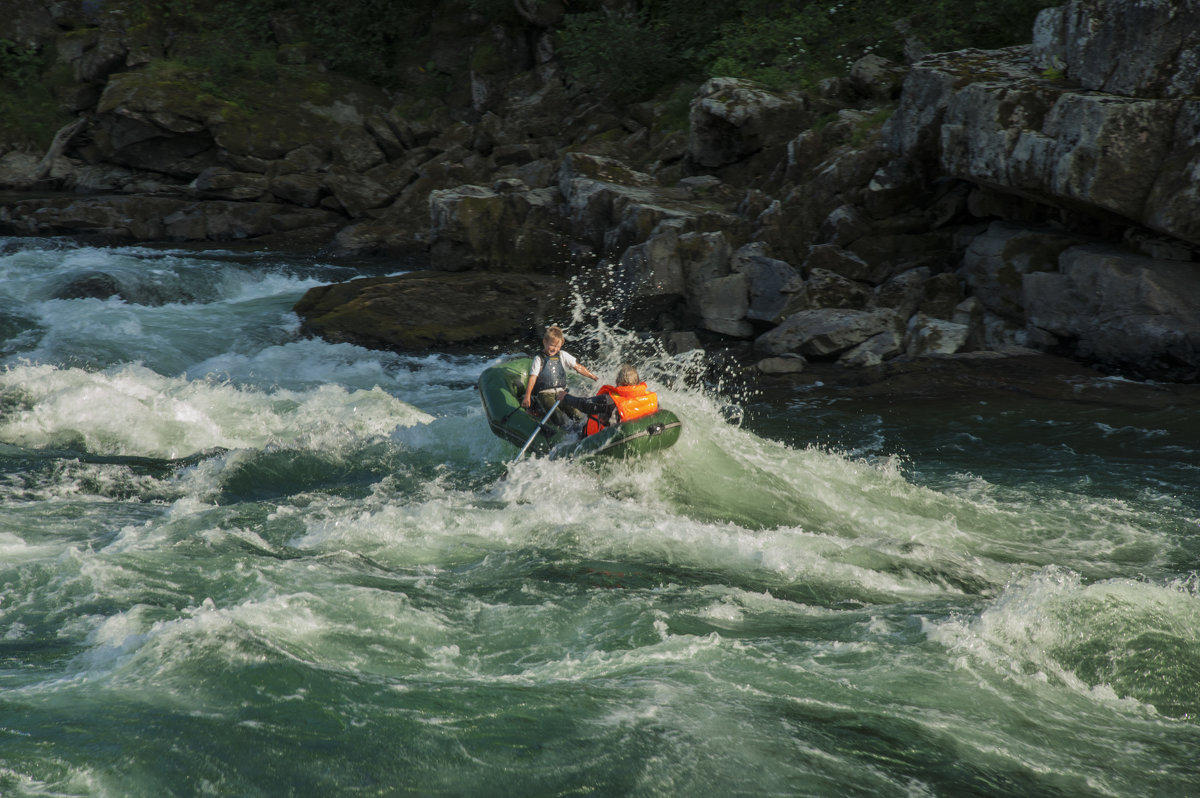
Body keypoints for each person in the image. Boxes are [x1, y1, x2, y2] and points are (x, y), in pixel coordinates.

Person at [521, 325, 598, 424]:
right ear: (544, 341)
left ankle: (582, 431)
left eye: (558, 346)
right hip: (545, 394)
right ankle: (561, 433)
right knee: (558, 417)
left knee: (576, 414)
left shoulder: (562, 355)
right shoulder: (538, 358)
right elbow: (533, 377)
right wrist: (527, 396)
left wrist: (592, 376)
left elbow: (577, 367)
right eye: (552, 345)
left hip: (561, 393)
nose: (555, 349)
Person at [562, 363, 658, 436]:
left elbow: (585, 404)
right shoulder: (650, 397)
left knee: (572, 428)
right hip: (637, 433)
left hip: (610, 438)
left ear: (618, 382)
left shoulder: (609, 400)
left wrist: (566, 397)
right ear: (638, 382)